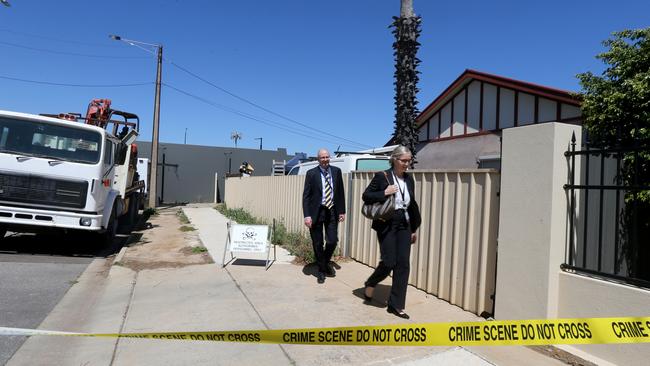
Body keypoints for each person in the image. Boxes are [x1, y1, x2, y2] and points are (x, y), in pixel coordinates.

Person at [361, 145, 421, 319]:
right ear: (394, 159)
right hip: (386, 223)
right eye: (404, 160)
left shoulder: (409, 179)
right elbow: (366, 196)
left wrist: (414, 228)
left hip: (404, 223)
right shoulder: (383, 176)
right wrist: (384, 192)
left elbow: (412, 205)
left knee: (403, 264)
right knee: (389, 262)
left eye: (409, 160)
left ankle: (396, 305)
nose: (407, 163)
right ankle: (371, 282)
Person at [302, 148, 346, 284]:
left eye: (327, 157)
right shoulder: (311, 174)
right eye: (322, 157)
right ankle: (321, 270)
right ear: (318, 159)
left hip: (332, 211)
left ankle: (324, 263)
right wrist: (307, 215)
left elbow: (340, 193)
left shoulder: (337, 172)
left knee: (332, 240)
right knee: (318, 242)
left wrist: (342, 211)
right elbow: (306, 196)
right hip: (316, 212)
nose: (325, 160)